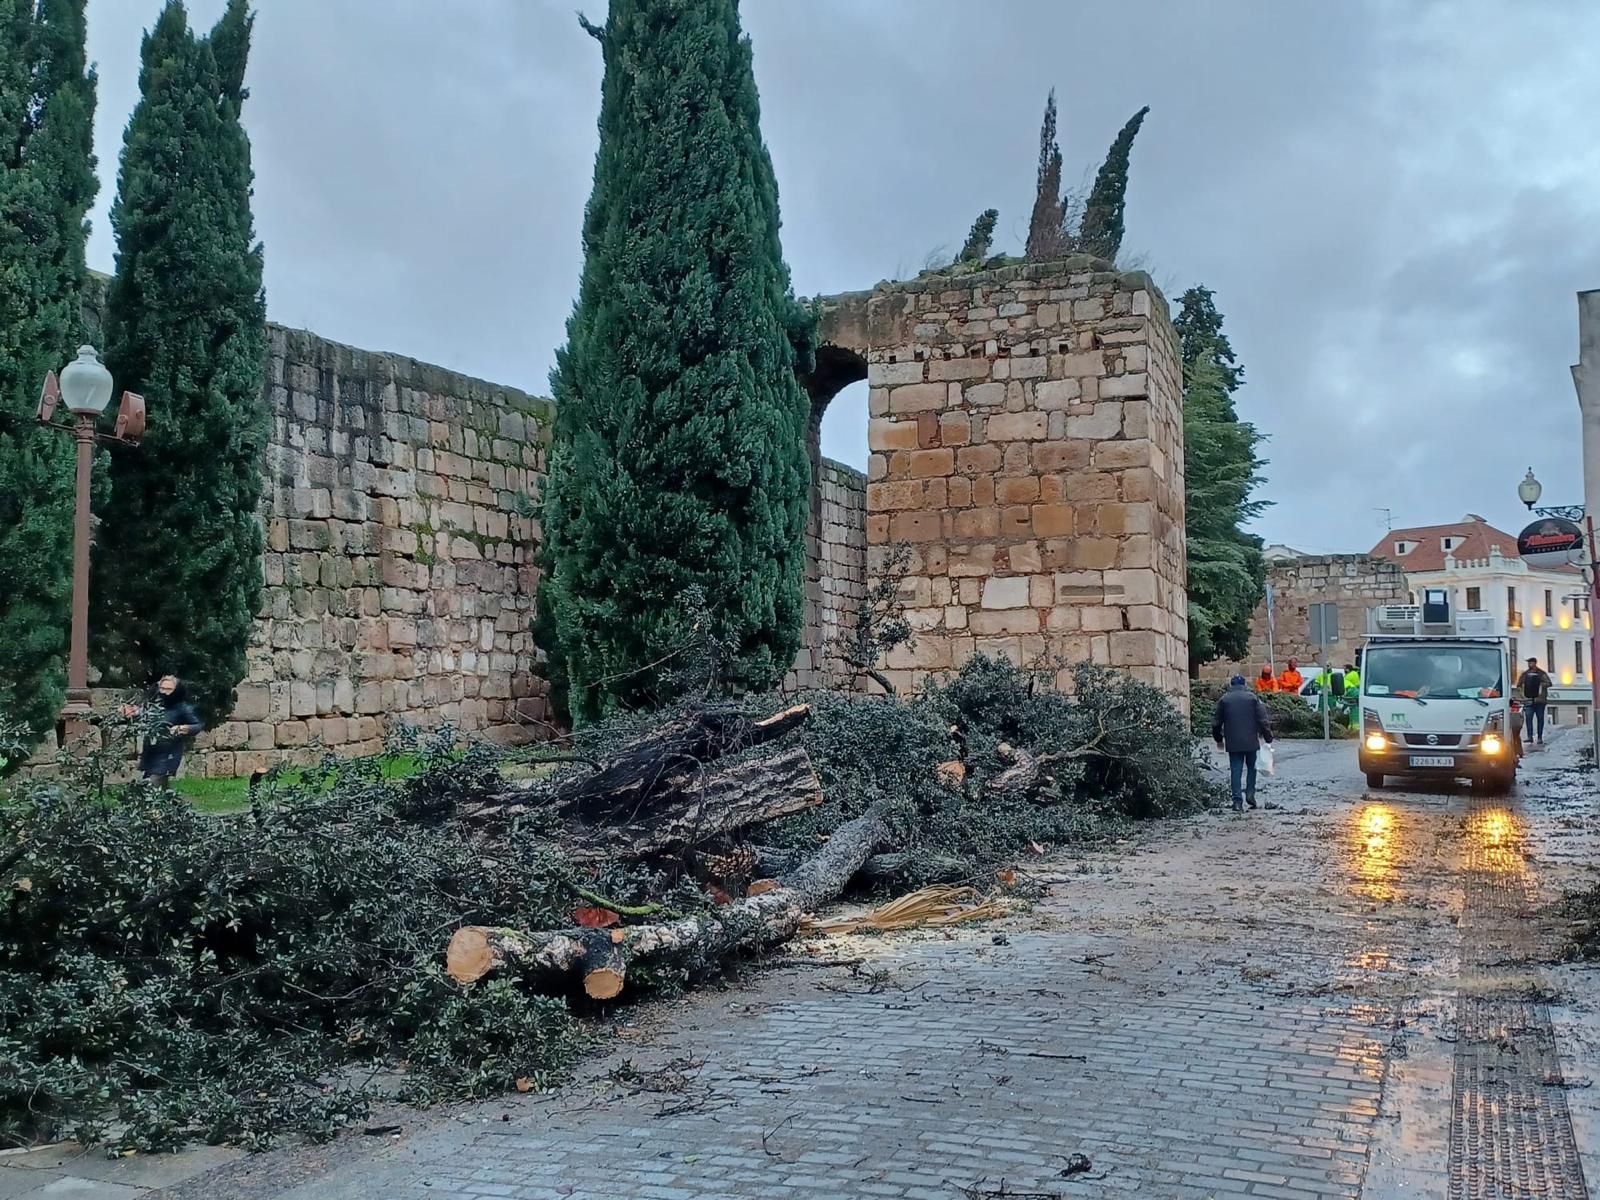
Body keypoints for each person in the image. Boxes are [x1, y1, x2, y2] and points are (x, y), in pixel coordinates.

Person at [1212, 674, 1274, 812]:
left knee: (1236, 770)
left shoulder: (1224, 700)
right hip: (1251, 741)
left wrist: (1218, 739)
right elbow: (1263, 720)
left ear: (1231, 685)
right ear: (1244, 685)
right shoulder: (1253, 698)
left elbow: (1216, 722)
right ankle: (1250, 794)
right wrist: (1268, 737)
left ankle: (1237, 802)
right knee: (1252, 768)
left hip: (1233, 742)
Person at [129, 675, 203, 786]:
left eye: (169, 689)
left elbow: (197, 725)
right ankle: (172, 803)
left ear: (176, 690)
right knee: (153, 789)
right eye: (162, 688)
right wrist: (132, 713)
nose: (164, 692)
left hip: (168, 754)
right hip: (150, 753)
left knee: (152, 785)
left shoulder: (182, 708)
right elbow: (142, 717)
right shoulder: (153, 706)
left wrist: (182, 728)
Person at [1517, 657, 1551, 746]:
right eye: (1528, 663)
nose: (1529, 664)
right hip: (1528, 700)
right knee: (1528, 718)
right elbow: (1519, 685)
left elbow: (1549, 683)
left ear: (1535, 663)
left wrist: (1539, 685)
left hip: (1540, 701)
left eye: (1531, 662)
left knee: (1540, 718)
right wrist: (1522, 695)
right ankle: (1530, 736)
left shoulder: (1541, 673)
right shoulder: (1525, 674)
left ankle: (1539, 737)